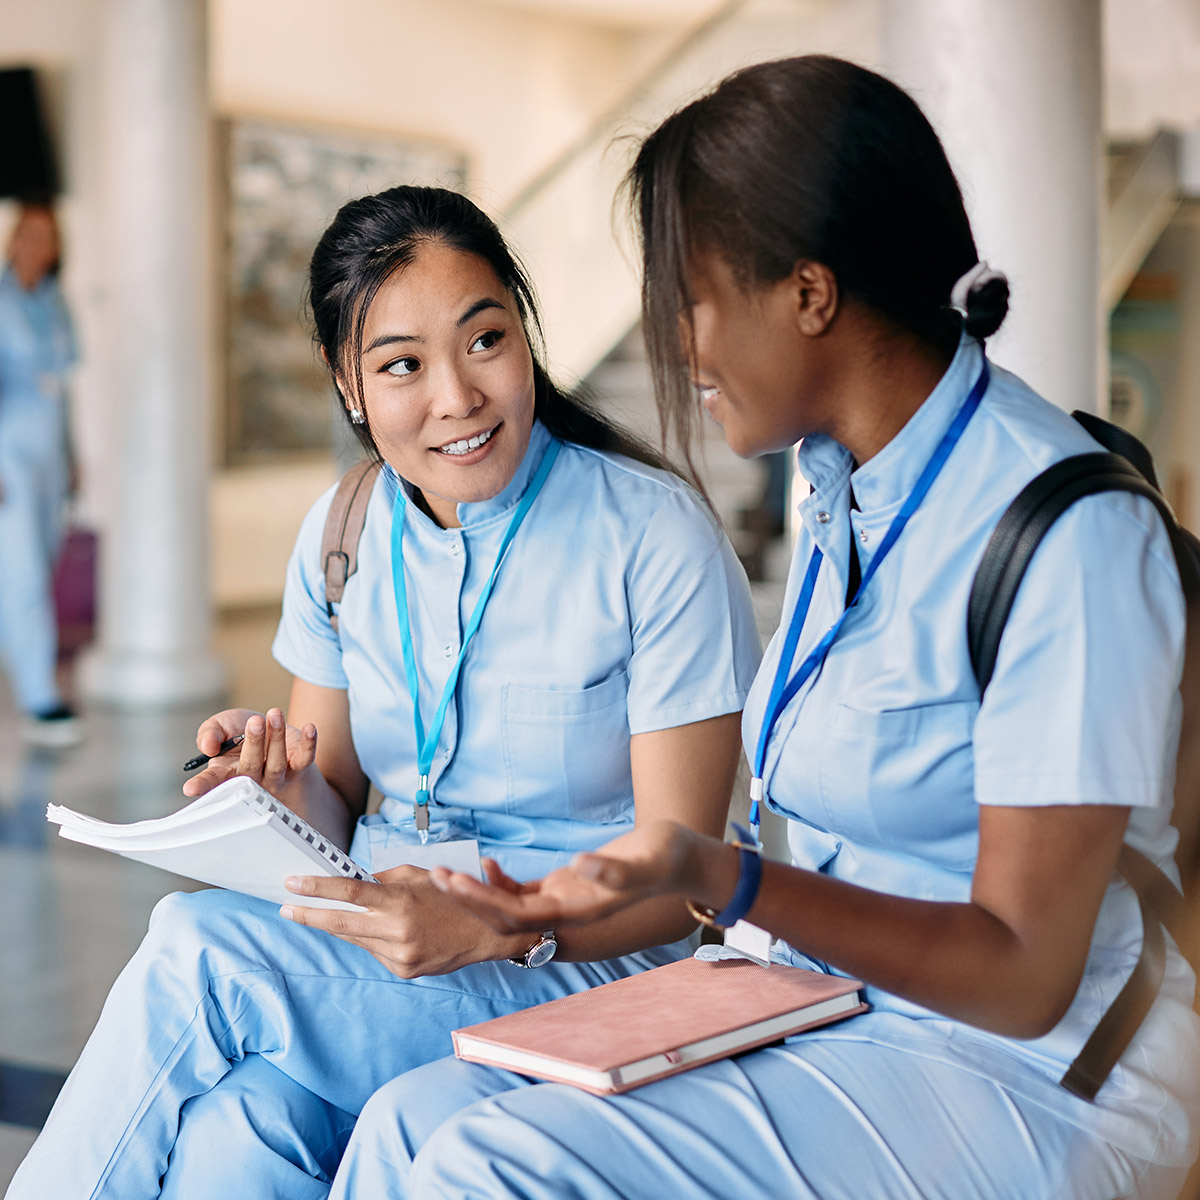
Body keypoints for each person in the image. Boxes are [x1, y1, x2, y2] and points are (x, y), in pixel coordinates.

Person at [327, 57, 1200, 1200]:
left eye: (689, 300)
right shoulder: (843, 492)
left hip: (1037, 1070)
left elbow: (1026, 977)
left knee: (490, 1163)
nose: (675, 347)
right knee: (410, 1121)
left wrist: (728, 880)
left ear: (809, 294)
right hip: (834, 1001)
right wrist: (538, 916)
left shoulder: (1069, 533)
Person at [6, 186, 760, 1198]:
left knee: (200, 951)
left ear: (524, 334)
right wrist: (280, 793)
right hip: (378, 954)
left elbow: (683, 890)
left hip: (577, 964)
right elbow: (335, 806)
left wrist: (503, 926)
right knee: (237, 1132)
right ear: (349, 384)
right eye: (403, 365)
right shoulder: (343, 533)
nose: (457, 396)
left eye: (485, 340)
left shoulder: (655, 539)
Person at [0, 202, 81, 746]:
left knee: (38, 567)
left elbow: (63, 388)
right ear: (12, 241)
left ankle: (27, 674)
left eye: (47, 236)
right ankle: (40, 698)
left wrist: (73, 455)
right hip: (9, 453)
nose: (37, 245)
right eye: (28, 234)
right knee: (23, 571)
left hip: (50, 454)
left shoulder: (56, 302)